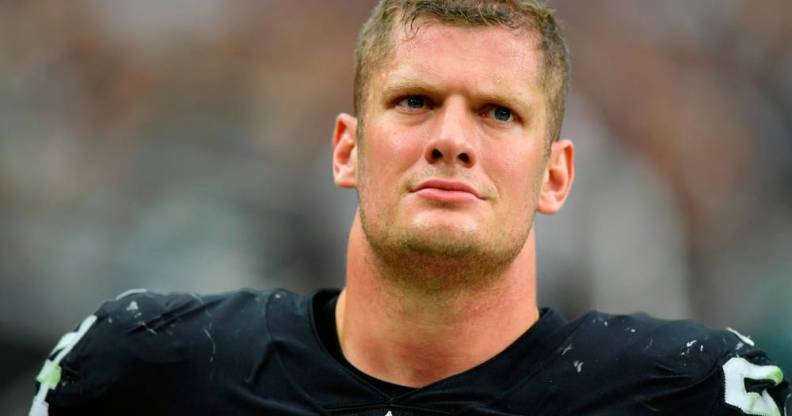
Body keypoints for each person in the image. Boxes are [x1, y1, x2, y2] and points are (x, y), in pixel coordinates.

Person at [30, 1, 790, 415]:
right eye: (416, 101)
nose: (451, 140)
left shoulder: (692, 394)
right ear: (346, 151)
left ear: (557, 176)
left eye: (497, 113)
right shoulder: (140, 367)